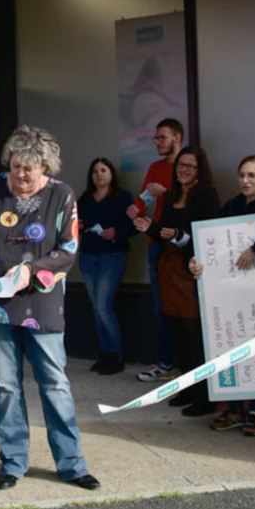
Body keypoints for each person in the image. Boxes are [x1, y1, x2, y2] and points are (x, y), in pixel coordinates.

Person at [0, 126, 101, 492]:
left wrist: (31, 271)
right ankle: (13, 462)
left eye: (29, 170)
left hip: (43, 302)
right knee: (6, 386)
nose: (20, 176)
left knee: (54, 384)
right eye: (16, 166)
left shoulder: (62, 195)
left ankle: (71, 464)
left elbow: (68, 250)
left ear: (46, 169)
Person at [188, 155, 255, 436]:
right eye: (242, 175)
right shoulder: (231, 206)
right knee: (231, 348)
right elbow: (211, 241)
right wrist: (197, 261)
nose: (245, 181)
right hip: (229, 292)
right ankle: (234, 408)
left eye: (252, 176)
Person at [133, 146, 219, 417]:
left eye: (190, 166)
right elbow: (164, 233)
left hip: (192, 271)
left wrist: (167, 232)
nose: (183, 169)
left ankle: (205, 395)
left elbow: (207, 234)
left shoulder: (207, 195)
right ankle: (187, 387)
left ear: (200, 170)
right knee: (178, 334)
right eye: (181, 164)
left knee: (194, 336)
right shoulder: (170, 195)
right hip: (169, 270)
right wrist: (152, 228)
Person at [128, 118, 184, 382]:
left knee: (184, 305)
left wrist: (165, 193)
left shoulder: (187, 165)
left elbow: (194, 198)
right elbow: (144, 199)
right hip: (155, 242)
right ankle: (165, 362)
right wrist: (135, 209)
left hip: (182, 244)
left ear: (177, 137)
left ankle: (185, 364)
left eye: (162, 137)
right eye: (156, 138)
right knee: (160, 306)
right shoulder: (155, 167)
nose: (157, 142)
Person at [77, 157, 137, 375]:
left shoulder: (123, 198)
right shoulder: (83, 199)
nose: (99, 174)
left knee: (103, 306)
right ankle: (104, 354)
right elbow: (72, 225)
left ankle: (115, 355)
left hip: (112, 256)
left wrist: (117, 231)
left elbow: (135, 226)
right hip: (88, 256)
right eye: (95, 171)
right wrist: (77, 226)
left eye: (103, 170)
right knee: (96, 308)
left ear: (111, 174)